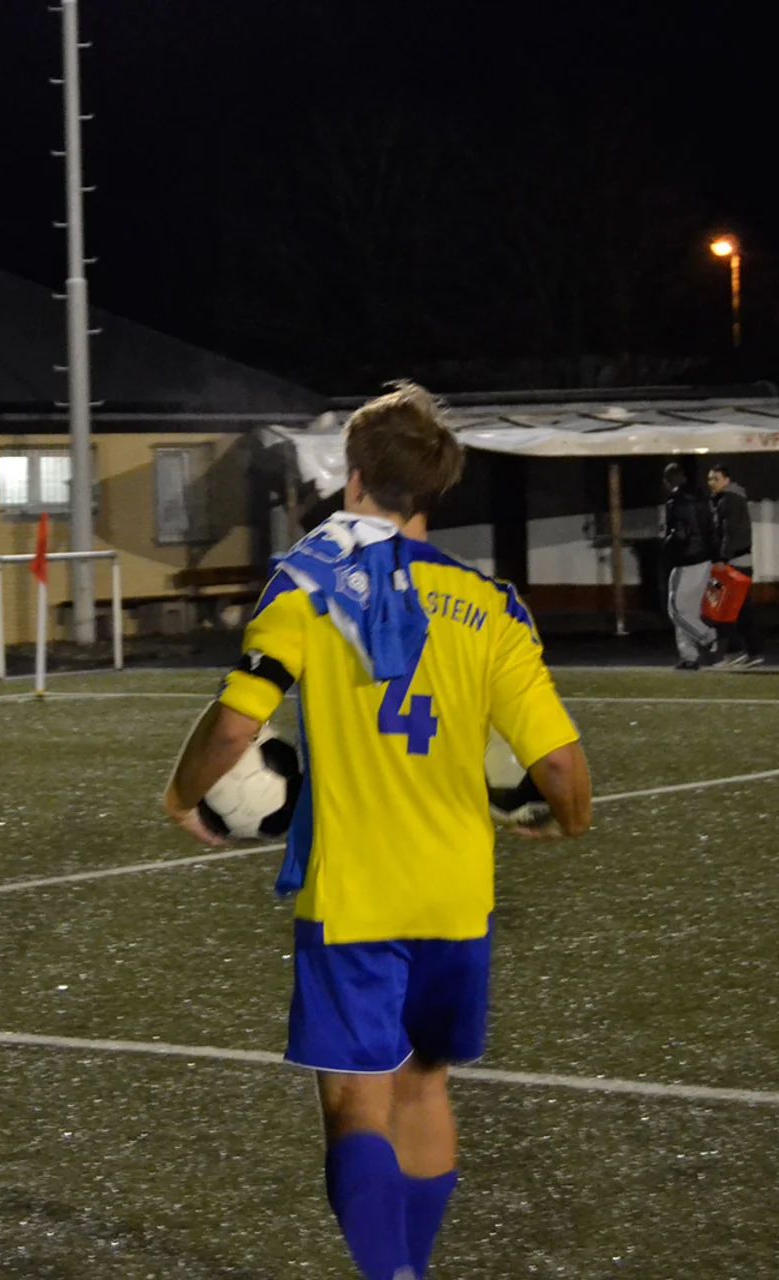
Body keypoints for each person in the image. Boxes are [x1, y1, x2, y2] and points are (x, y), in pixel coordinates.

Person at [163, 382, 591, 1280]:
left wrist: (181, 794)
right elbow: (558, 767)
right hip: (456, 895)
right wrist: (569, 820)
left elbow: (239, 725)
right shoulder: (493, 607)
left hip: (355, 895)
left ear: (354, 478)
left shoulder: (309, 584)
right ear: (431, 492)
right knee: (425, 1085)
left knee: (357, 1102)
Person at [706, 463, 765, 667]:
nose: (711, 483)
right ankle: (747, 651)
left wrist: (722, 558)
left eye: (715, 478)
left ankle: (738, 652)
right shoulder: (730, 499)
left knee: (727, 608)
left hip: (733, 563)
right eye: (710, 479)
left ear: (726, 480)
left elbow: (729, 532)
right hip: (738, 561)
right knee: (737, 609)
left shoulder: (728, 500)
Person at [661, 462, 717, 670]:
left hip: (686, 560)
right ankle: (689, 656)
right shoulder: (703, 497)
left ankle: (709, 638)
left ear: (668, 481)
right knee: (689, 611)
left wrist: (666, 545)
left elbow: (680, 534)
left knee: (676, 610)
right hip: (705, 558)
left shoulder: (675, 501)